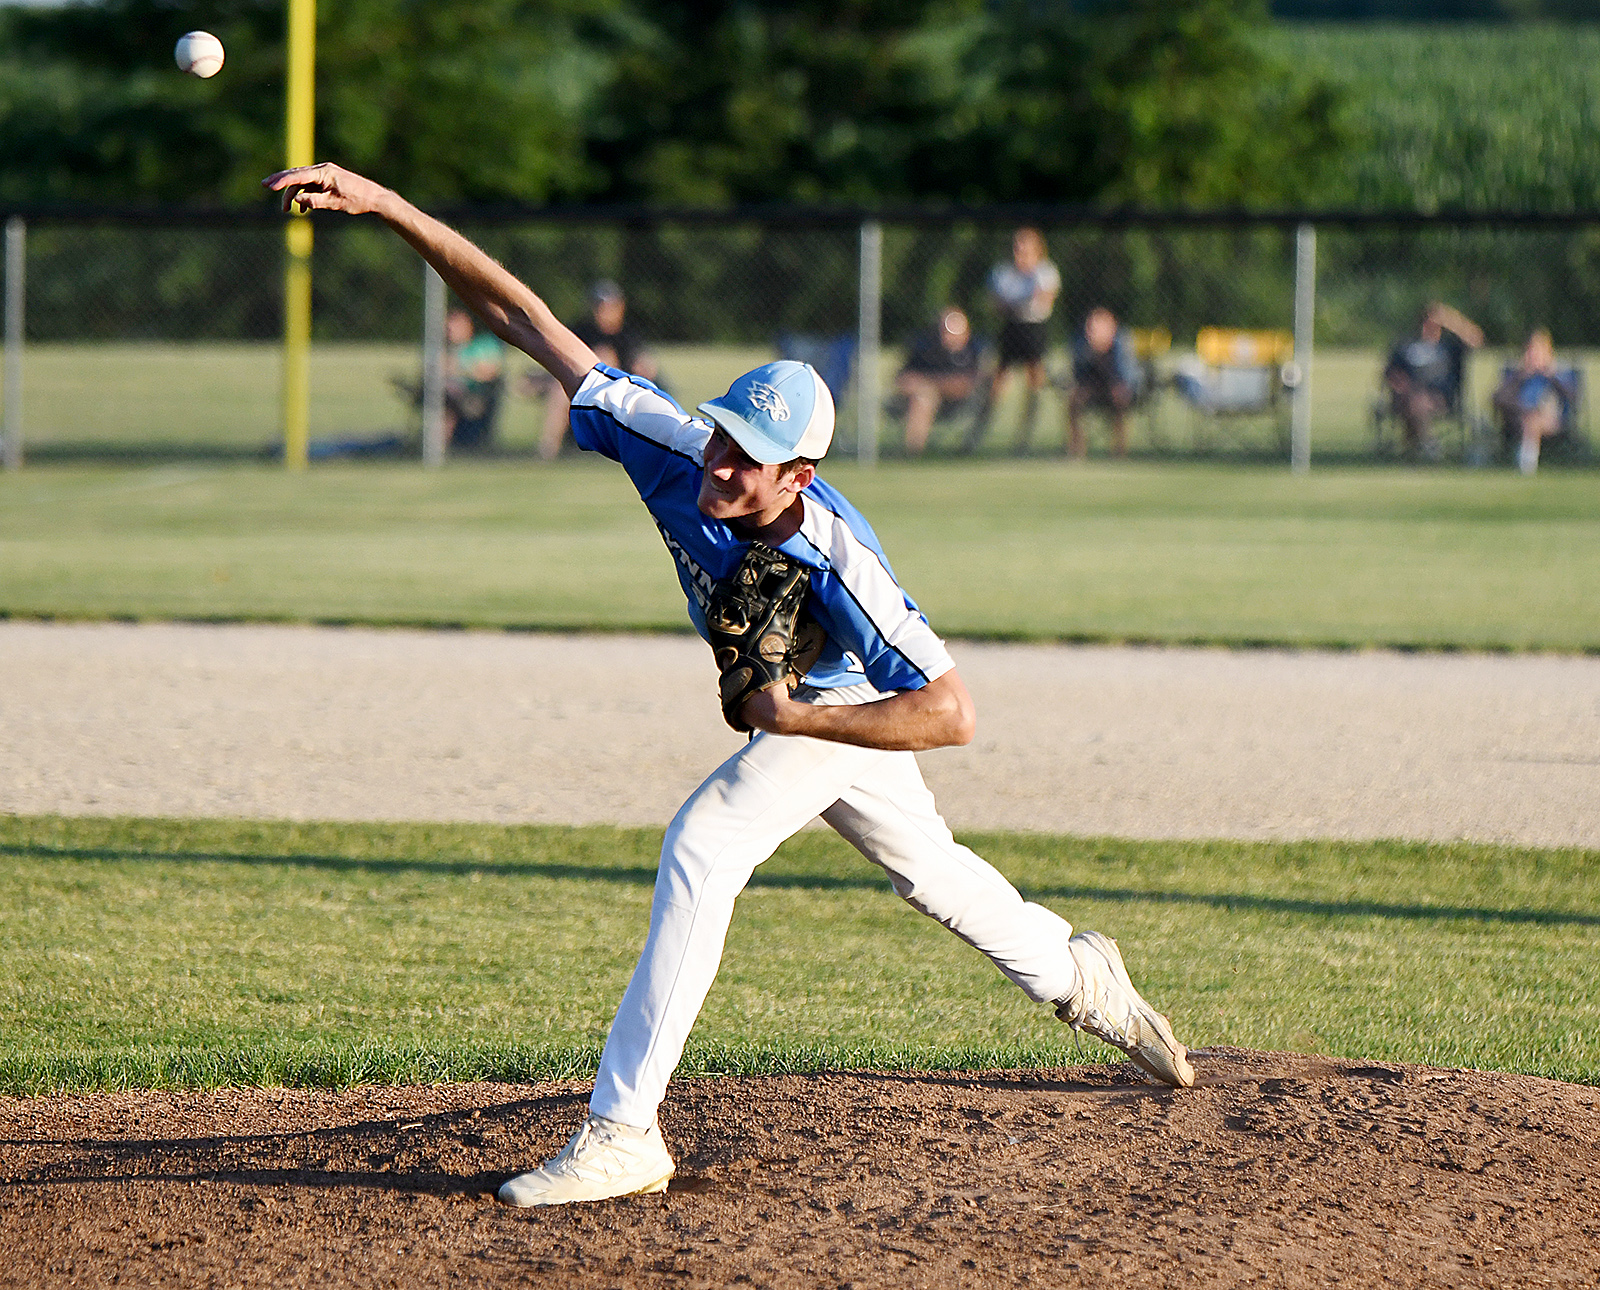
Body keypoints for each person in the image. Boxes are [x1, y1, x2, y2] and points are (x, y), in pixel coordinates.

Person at [265, 161, 1195, 1209]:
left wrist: (795, 717)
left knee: (702, 846)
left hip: (837, 707)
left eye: (747, 455)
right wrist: (389, 207)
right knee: (933, 877)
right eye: (721, 434)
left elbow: (953, 711)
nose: (718, 463)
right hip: (812, 713)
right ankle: (1083, 982)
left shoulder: (839, 557)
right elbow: (522, 315)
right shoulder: (671, 444)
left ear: (796, 474)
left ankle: (622, 1132)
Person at [539, 281, 661, 460]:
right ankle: (548, 451)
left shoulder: (628, 335)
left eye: (610, 307)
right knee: (559, 391)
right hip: (581, 391)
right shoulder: (582, 331)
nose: (604, 312)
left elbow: (645, 368)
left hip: (620, 395)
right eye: (600, 307)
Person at [966, 228, 1060, 454]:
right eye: (1017, 246)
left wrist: (1016, 302)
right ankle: (976, 436)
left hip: (1034, 329)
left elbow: (1044, 299)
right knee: (998, 383)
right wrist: (1020, 301)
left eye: (1026, 246)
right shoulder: (1003, 272)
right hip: (1011, 329)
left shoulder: (1045, 271)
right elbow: (997, 304)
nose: (1020, 251)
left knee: (1035, 382)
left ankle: (1025, 438)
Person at [1383, 302, 1484, 460]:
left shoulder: (1450, 346)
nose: (1426, 328)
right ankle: (1425, 445)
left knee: (1418, 402)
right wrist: (1401, 386)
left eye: (1433, 325)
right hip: (1406, 396)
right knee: (1414, 400)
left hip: (1440, 398)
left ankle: (1424, 445)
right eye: (1424, 323)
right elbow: (1390, 373)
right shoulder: (1405, 346)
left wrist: (1450, 319)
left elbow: (1476, 340)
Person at [894, 307, 983, 455]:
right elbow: (904, 378)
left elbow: (966, 383)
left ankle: (912, 451)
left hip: (956, 404)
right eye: (945, 328)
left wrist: (930, 384)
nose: (948, 334)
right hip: (918, 398)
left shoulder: (970, 352)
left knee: (924, 394)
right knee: (923, 398)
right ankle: (913, 451)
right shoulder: (926, 350)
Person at [1492, 328, 1576, 475]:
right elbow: (1498, 398)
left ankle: (1526, 466)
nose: (1534, 355)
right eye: (1530, 351)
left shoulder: (1559, 372)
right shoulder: (1518, 374)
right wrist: (1520, 377)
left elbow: (1572, 397)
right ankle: (1526, 461)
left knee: (1533, 420)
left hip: (1551, 420)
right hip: (1519, 418)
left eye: (1538, 350)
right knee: (1530, 418)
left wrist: (1551, 375)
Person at [1066, 307, 1141, 459]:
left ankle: (1119, 450)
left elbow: (1126, 375)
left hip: (1116, 386)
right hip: (1092, 387)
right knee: (1074, 399)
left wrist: (1117, 385)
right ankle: (1077, 449)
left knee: (1120, 397)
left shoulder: (1121, 341)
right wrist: (1092, 350)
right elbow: (1078, 372)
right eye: (1091, 327)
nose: (1093, 331)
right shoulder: (1081, 341)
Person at [443, 308, 506, 450]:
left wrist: (461, 370)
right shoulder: (448, 349)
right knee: (446, 395)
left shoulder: (484, 344)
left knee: (450, 396)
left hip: (477, 396)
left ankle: (439, 447)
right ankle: (438, 446)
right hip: (450, 393)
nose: (451, 331)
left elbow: (488, 373)